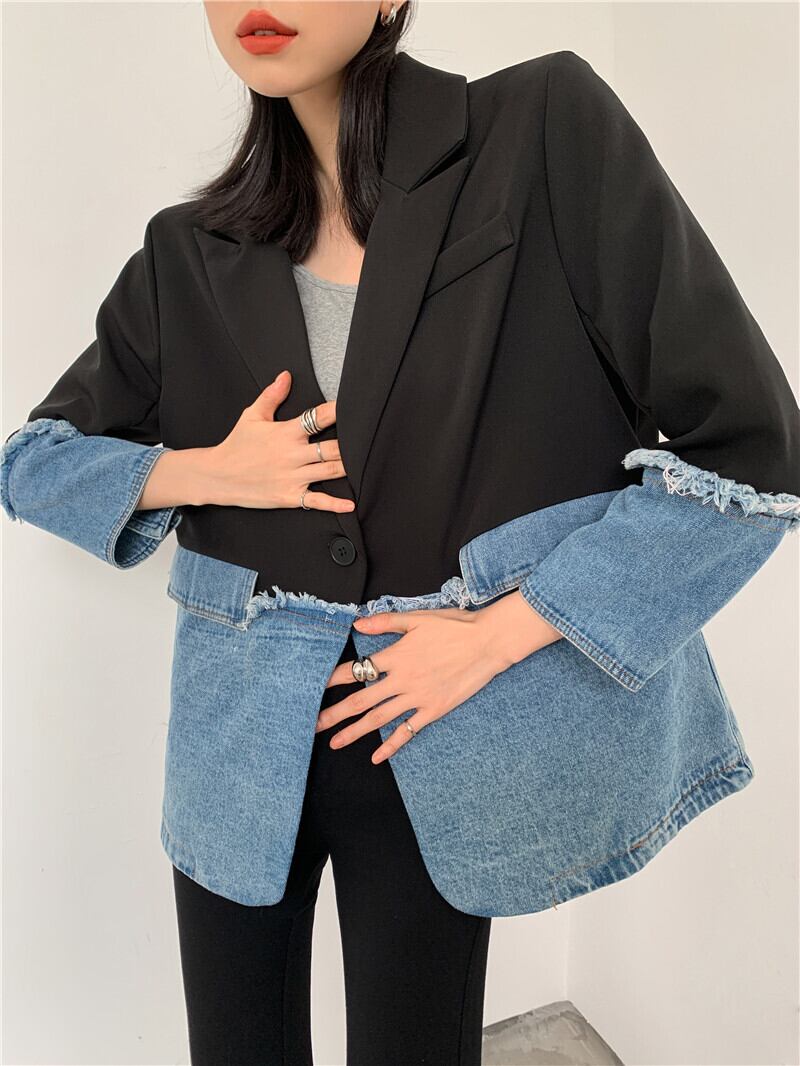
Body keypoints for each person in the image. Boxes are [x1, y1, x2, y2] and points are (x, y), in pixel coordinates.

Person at [3, 3, 800, 1064]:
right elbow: (33, 461)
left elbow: (747, 450)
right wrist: (203, 470)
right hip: (233, 744)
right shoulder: (184, 251)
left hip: (437, 731)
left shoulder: (540, 130)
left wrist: (500, 631)